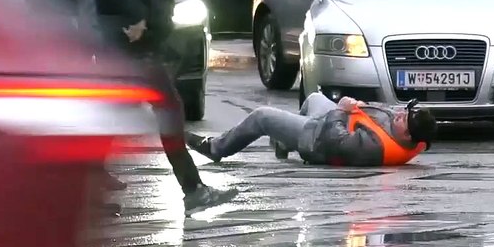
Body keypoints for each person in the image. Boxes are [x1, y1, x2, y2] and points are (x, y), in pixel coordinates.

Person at [85, 0, 237, 214]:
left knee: (115, 115)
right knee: (166, 111)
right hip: (128, 43)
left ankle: (88, 193)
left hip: (138, 42)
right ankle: (193, 189)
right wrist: (134, 16)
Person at [186, 93, 435, 166]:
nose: (401, 113)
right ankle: (284, 139)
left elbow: (333, 140)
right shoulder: (411, 134)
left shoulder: (375, 147)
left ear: (408, 136)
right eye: (406, 110)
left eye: (405, 118)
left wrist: (341, 108)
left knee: (261, 116)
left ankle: (216, 148)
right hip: (327, 119)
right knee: (314, 97)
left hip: (315, 139)